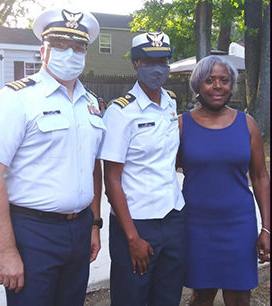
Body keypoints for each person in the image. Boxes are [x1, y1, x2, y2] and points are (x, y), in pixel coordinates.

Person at [0, 7, 106, 306]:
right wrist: (6, 251)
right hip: (33, 233)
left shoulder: (91, 103)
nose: (69, 53)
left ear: (85, 53)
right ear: (42, 50)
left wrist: (94, 224)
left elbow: (92, 166)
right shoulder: (17, 98)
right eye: (59, 46)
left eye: (77, 47)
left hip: (79, 229)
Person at [97, 32, 186, 306]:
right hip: (136, 222)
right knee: (131, 298)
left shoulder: (170, 102)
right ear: (136, 64)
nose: (158, 68)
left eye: (163, 60)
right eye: (149, 61)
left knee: (168, 297)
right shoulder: (121, 113)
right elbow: (112, 180)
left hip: (173, 217)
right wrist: (132, 237)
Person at [177, 55, 270, 306]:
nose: (217, 86)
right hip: (196, 225)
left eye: (224, 80)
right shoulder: (181, 125)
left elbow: (261, 177)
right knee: (201, 295)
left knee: (239, 295)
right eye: (209, 80)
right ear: (197, 85)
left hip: (238, 224)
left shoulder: (247, 124)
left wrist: (267, 228)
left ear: (232, 85)